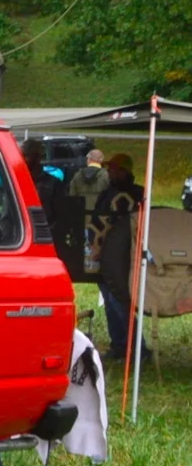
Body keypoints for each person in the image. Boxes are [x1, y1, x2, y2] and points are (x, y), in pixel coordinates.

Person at [94, 153, 146, 360]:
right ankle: (120, 345)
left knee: (120, 302)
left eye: (114, 169)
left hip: (127, 256)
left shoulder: (139, 193)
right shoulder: (106, 193)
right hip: (105, 254)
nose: (110, 172)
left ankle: (138, 348)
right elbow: (95, 220)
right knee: (108, 299)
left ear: (125, 171)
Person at [22, 138, 65, 231]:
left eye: (26, 156)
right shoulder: (17, 182)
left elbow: (61, 216)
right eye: (21, 156)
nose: (23, 160)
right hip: (21, 236)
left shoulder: (53, 183)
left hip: (44, 234)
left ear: (38, 157)